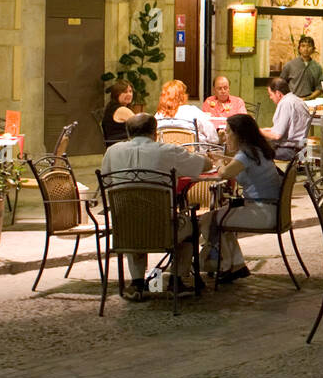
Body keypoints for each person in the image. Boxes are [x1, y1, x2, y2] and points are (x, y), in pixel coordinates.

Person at [99, 113, 209, 300]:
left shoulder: (112, 152)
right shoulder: (168, 151)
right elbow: (204, 165)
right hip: (163, 229)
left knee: (133, 218)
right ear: (154, 132)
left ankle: (137, 282)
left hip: (125, 230)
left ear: (128, 132)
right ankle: (176, 279)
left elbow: (106, 181)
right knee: (191, 225)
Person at [203, 114, 284, 284]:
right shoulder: (257, 150)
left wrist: (218, 164)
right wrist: (223, 159)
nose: (225, 136)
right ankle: (236, 265)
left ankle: (225, 266)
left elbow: (225, 173)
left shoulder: (246, 154)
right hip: (271, 209)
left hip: (262, 212)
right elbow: (238, 163)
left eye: (227, 132)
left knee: (210, 220)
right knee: (218, 217)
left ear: (238, 134)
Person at [260, 77, 311, 160]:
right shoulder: (298, 100)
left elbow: (277, 136)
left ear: (278, 93)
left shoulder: (285, 104)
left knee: (254, 153)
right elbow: (287, 128)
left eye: (270, 95)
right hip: (300, 148)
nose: (270, 98)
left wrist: (258, 131)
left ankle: (271, 172)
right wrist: (267, 130)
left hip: (289, 150)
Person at [154, 79, 219, 144]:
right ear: (182, 96)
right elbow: (213, 138)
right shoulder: (192, 111)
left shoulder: (158, 116)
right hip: (192, 153)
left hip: (166, 153)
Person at [101, 80, 135, 145]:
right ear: (116, 94)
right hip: (121, 147)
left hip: (116, 146)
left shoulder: (111, 107)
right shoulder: (121, 110)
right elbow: (141, 126)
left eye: (130, 91)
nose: (129, 94)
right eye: (125, 92)